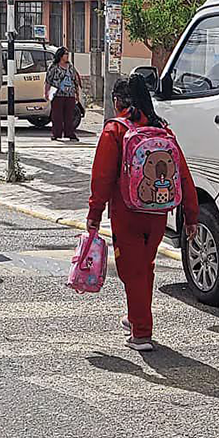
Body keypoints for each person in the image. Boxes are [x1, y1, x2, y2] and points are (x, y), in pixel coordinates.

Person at [87, 75, 199, 352]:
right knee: (144, 267)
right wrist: (192, 216)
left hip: (127, 212)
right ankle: (135, 316)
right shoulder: (162, 129)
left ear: (118, 102)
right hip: (158, 212)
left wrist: (94, 214)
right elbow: (183, 175)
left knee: (131, 269)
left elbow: (101, 177)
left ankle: (141, 332)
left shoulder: (115, 130)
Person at [45, 47, 82, 141]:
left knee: (69, 115)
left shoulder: (70, 66)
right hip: (57, 94)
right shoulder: (54, 66)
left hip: (69, 94)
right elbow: (48, 80)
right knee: (57, 115)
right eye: (65, 54)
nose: (67, 56)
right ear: (61, 55)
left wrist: (77, 93)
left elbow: (75, 80)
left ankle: (69, 133)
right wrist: (46, 92)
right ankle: (56, 134)